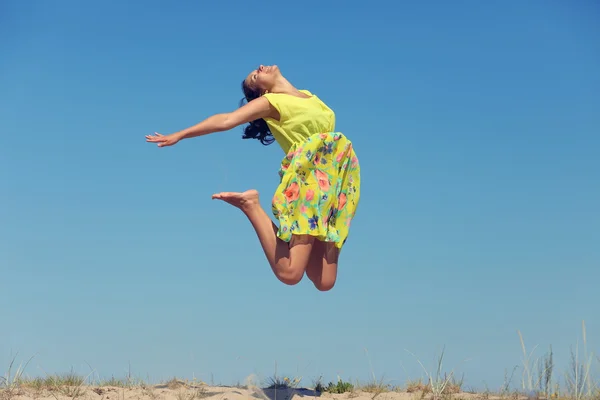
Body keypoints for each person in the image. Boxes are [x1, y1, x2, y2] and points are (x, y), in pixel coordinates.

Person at [145, 65, 360, 291]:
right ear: (262, 91)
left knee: (325, 281)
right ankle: (250, 205)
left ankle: (282, 230)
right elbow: (226, 119)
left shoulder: (310, 96)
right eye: (255, 76)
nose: (258, 68)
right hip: (310, 181)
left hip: (338, 182)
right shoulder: (271, 102)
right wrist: (180, 134)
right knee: (290, 273)